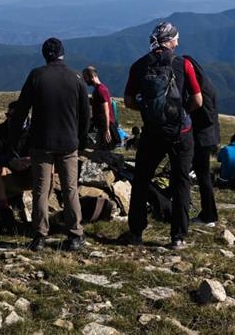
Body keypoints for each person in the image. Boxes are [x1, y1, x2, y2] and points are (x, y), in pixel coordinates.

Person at [122, 22, 203, 250]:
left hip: (152, 133)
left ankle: (136, 232)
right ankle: (177, 237)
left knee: (141, 180)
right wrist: (182, 113)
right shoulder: (183, 64)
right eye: (176, 39)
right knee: (181, 182)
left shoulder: (139, 65)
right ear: (171, 41)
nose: (177, 43)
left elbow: (128, 101)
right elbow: (198, 100)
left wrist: (148, 111)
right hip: (181, 133)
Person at [12, 37, 90, 252]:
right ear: (63, 53)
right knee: (70, 189)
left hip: (41, 142)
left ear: (45, 54)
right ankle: (75, 234)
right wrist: (80, 140)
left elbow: (21, 111)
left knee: (40, 189)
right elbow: (85, 114)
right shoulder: (75, 77)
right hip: (68, 142)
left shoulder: (37, 76)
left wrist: (15, 137)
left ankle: (39, 236)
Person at [0, 101, 32, 230]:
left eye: (12, 116)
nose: (9, 119)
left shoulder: (36, 129)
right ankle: (4, 209)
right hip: (12, 174)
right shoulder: (2, 130)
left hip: (33, 172)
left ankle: (39, 212)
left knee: (48, 168)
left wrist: (32, 160)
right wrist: (8, 161)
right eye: (7, 115)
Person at [184, 56, 220, 227]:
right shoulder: (208, 86)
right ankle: (209, 214)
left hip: (200, 138)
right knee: (203, 175)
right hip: (210, 137)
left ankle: (208, 215)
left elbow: (200, 115)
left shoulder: (197, 93)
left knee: (202, 175)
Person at [82, 66, 119, 150]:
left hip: (105, 125)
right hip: (102, 125)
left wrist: (107, 129)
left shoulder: (101, 90)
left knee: (104, 149)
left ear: (92, 76)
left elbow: (106, 110)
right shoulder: (98, 89)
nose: (85, 80)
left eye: (85, 77)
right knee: (100, 147)